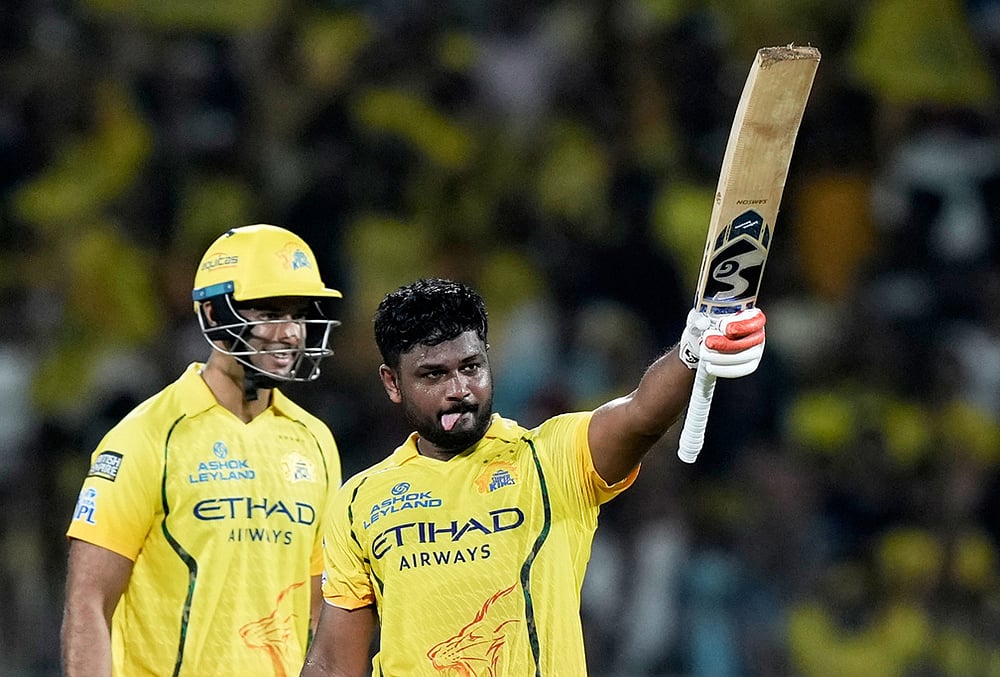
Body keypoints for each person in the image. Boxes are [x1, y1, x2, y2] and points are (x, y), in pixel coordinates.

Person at [300, 277, 767, 676]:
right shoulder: (360, 499)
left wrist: (690, 354)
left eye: (470, 367)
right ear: (392, 383)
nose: (459, 390)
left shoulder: (550, 457)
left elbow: (640, 413)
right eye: (433, 375)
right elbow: (334, 663)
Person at [61, 224, 345, 676]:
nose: (290, 332)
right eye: (269, 312)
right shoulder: (148, 436)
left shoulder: (315, 442)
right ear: (213, 315)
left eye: (297, 313)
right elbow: (89, 603)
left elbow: (320, 610)